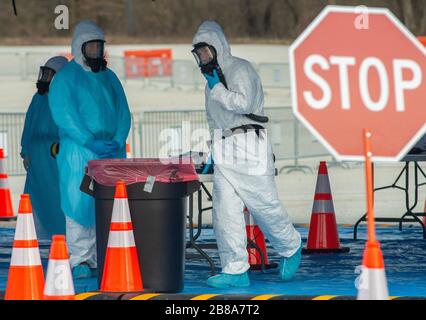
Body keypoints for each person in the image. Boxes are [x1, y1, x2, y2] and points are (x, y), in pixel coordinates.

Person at [192, 21, 302, 288]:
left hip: (248, 143)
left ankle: (290, 246)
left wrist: (218, 89)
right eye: (200, 55)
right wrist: (212, 151)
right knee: (224, 211)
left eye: (207, 52)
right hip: (225, 147)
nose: (204, 58)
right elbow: (213, 119)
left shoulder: (241, 68)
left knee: (262, 203)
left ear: (217, 47)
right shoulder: (210, 85)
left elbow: (243, 103)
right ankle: (235, 268)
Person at [48, 20, 131, 279]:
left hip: (110, 152)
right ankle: (80, 259)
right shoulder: (65, 78)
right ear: (79, 47)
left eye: (99, 46)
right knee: (78, 204)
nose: (96, 51)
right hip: (79, 153)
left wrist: (118, 138)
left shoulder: (110, 77)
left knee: (106, 206)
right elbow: (65, 115)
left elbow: (124, 112)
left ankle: (101, 255)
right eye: (91, 46)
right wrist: (89, 140)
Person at [20, 56, 68, 240]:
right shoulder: (38, 98)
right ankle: (35, 233)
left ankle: (59, 233)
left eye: (50, 74)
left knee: (56, 196)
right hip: (37, 157)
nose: (46, 77)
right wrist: (25, 151)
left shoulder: (65, 99)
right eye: (45, 73)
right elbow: (29, 125)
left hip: (55, 156)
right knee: (35, 196)